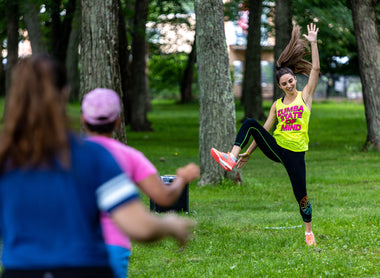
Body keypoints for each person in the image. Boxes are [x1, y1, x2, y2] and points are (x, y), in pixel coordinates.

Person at [0, 54, 196, 278]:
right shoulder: (94, 157)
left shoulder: (4, 159)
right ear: (64, 94)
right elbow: (140, 227)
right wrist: (169, 224)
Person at [211, 23, 319, 246]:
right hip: (278, 148)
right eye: (284, 83)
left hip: (296, 154)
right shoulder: (277, 105)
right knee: (251, 122)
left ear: (295, 80)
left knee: (302, 195)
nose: (289, 85)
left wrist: (314, 43)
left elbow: (316, 70)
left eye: (291, 81)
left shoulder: (305, 97)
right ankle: (231, 157)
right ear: (279, 86)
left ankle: (308, 231)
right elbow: (265, 129)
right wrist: (248, 152)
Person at [80, 87, 200, 278]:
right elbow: (164, 197)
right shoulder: (129, 157)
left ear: (83, 119)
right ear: (118, 121)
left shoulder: (63, 157)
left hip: (70, 251)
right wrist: (182, 178)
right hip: (113, 252)